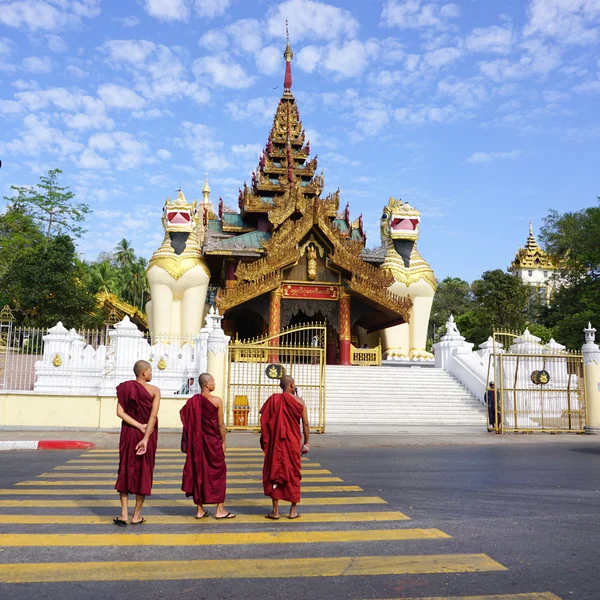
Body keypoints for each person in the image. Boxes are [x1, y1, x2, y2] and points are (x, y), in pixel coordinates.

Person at [180, 372, 235, 520]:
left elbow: (187, 423)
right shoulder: (217, 401)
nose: (214, 383)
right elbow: (221, 424)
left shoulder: (193, 401)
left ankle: (200, 510)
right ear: (206, 384)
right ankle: (220, 510)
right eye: (213, 381)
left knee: (199, 473)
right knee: (218, 474)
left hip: (197, 444)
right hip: (213, 443)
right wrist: (224, 441)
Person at [113, 359, 160, 527]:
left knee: (125, 469)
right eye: (150, 371)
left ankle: (124, 513)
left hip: (129, 432)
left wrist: (137, 425)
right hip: (148, 433)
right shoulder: (155, 390)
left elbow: (120, 412)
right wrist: (145, 438)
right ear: (143, 373)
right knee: (144, 472)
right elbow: (152, 416)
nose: (152, 374)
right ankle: (136, 515)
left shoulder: (125, 388)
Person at [260, 374, 310, 520]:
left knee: (274, 472)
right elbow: (305, 424)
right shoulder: (299, 402)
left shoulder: (273, 400)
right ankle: (293, 511)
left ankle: (275, 511)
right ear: (292, 386)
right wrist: (306, 442)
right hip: (292, 443)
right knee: (293, 474)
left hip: (276, 443)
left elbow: (265, 421)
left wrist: (264, 439)